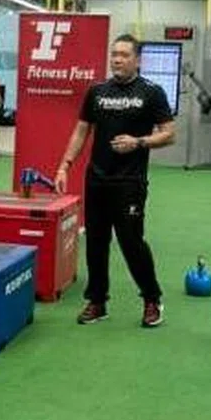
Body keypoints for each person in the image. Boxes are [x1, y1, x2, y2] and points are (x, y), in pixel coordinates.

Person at [54, 34, 175, 328]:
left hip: (130, 181)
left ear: (137, 60)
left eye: (123, 55)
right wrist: (64, 165)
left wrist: (139, 142)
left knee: (131, 242)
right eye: (114, 54)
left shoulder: (152, 92)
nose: (117, 60)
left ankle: (151, 298)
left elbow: (169, 133)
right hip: (96, 179)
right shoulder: (96, 91)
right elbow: (81, 131)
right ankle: (97, 301)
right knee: (96, 242)